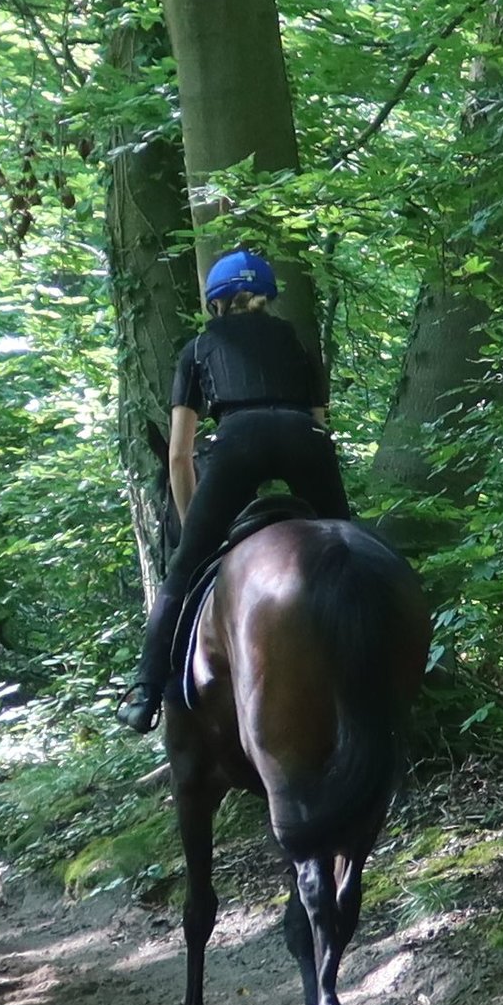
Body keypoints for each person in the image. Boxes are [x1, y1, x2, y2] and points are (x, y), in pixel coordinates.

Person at [132, 247, 348, 725]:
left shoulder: (197, 349)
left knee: (185, 570)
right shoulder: (296, 344)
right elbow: (319, 423)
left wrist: (192, 529)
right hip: (303, 437)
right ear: (266, 297)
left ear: (216, 303)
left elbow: (179, 455)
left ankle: (146, 690)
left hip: (238, 440)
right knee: (349, 552)